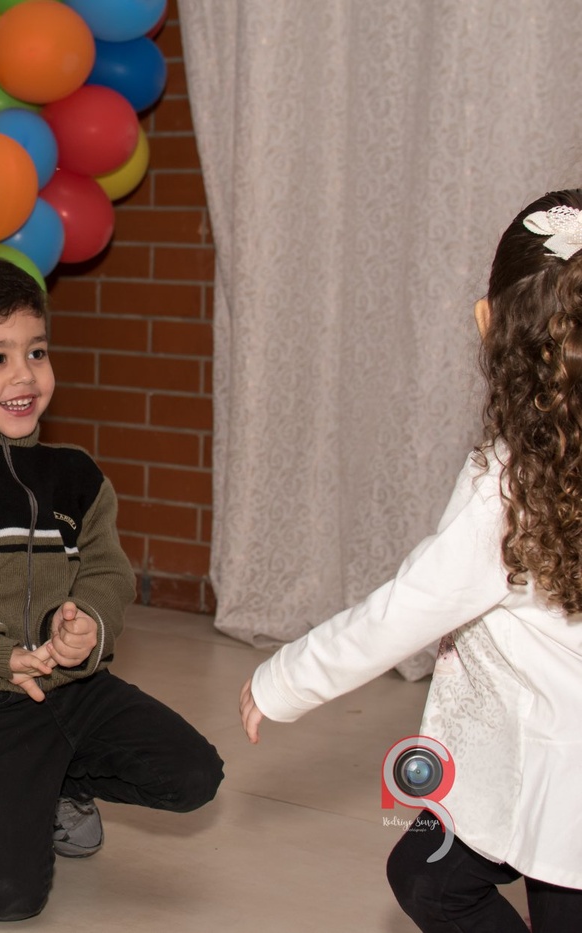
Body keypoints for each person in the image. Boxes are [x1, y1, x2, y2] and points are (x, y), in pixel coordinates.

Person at [240, 189, 582, 932]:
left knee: (443, 880)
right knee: (429, 875)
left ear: (487, 321)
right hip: (541, 765)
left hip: (557, 770)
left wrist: (285, 679)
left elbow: (410, 607)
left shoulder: (509, 484)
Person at [0, 253, 223, 921]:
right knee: (3, 899)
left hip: (77, 686)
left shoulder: (76, 473)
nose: (25, 374)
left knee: (194, 774)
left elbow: (107, 570)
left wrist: (89, 623)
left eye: (36, 351)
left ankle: (59, 777)